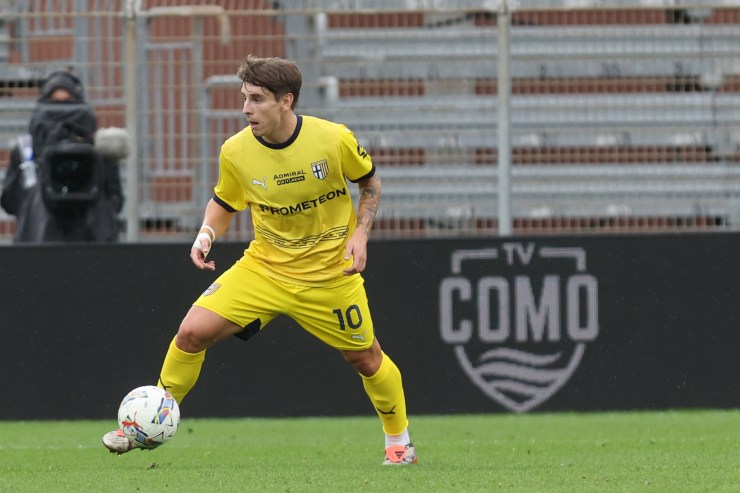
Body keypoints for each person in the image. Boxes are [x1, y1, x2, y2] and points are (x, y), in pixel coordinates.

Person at [102, 55, 417, 465]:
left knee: (366, 358)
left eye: (257, 99)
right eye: (244, 98)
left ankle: (399, 443)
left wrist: (361, 233)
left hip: (329, 275)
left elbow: (369, 181)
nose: (246, 109)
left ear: (286, 101)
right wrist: (206, 234)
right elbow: (224, 200)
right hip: (264, 269)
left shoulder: (332, 139)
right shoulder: (236, 150)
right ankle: (147, 424)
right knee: (190, 333)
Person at [0, 70, 124, 242]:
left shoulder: (100, 149)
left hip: (92, 239)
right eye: (55, 103)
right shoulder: (26, 150)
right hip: (39, 239)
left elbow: (114, 199)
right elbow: (10, 201)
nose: (61, 112)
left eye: (67, 103)